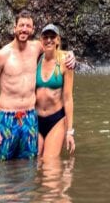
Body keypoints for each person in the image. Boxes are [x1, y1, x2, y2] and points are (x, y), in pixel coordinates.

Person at [0, 9, 75, 162]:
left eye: (28, 26)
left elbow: (54, 47)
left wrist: (71, 54)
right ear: (14, 28)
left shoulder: (37, 47)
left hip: (30, 118)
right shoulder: (1, 56)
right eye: (21, 25)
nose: (24, 29)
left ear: (32, 29)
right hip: (7, 119)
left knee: (28, 168)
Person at [36, 23, 75, 158]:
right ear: (41, 40)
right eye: (45, 37)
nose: (49, 40)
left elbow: (68, 98)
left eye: (52, 37)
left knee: (49, 164)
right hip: (36, 119)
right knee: (34, 163)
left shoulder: (66, 62)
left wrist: (70, 132)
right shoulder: (35, 60)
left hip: (56, 120)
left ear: (58, 40)